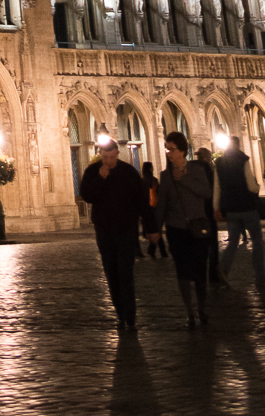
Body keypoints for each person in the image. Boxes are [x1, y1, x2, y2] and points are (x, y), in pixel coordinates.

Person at [79, 137, 150, 333]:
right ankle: (120, 312)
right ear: (99, 155)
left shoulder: (129, 172)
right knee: (111, 272)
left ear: (118, 154)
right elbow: (87, 196)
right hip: (104, 230)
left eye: (111, 157)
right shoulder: (93, 172)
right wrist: (100, 178)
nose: (108, 160)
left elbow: (141, 201)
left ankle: (130, 315)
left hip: (127, 229)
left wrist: (150, 227)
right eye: (104, 157)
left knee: (126, 272)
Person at [151, 131, 214, 326]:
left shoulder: (196, 170)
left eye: (171, 149)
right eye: (167, 149)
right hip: (176, 229)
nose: (168, 153)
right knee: (182, 273)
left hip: (197, 227)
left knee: (199, 271)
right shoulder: (165, 176)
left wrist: (184, 179)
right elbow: (162, 204)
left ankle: (202, 308)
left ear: (183, 151)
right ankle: (189, 312)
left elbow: (206, 192)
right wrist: (155, 229)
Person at [215, 141, 265, 280]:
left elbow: (217, 188)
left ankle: (224, 269)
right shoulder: (243, 159)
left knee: (233, 241)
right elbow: (251, 185)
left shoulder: (219, 163)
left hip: (230, 208)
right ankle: (260, 274)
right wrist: (257, 187)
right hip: (246, 206)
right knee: (257, 241)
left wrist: (216, 208)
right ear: (238, 146)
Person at [195, 148, 227, 288]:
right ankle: (213, 275)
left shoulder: (191, 171)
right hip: (208, 212)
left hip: (196, 213)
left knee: (199, 246)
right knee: (212, 245)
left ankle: (199, 275)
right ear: (208, 157)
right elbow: (215, 191)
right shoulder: (210, 171)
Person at [141, 162, 168, 259]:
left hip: (146, 209)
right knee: (157, 229)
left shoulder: (142, 181)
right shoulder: (154, 181)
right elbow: (160, 195)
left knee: (154, 230)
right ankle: (159, 251)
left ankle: (156, 250)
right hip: (154, 208)